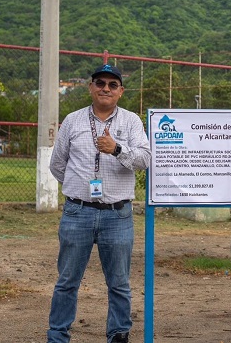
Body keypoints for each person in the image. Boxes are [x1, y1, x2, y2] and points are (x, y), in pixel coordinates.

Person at [47, 64, 151, 343]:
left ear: (120, 91)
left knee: (118, 283)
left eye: (112, 84)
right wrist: (78, 188)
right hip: (77, 211)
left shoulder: (130, 122)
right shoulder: (72, 120)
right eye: (100, 82)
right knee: (67, 281)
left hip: (117, 215)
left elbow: (144, 159)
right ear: (90, 87)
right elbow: (58, 164)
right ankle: (57, 335)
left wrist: (117, 149)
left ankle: (118, 334)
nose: (106, 88)